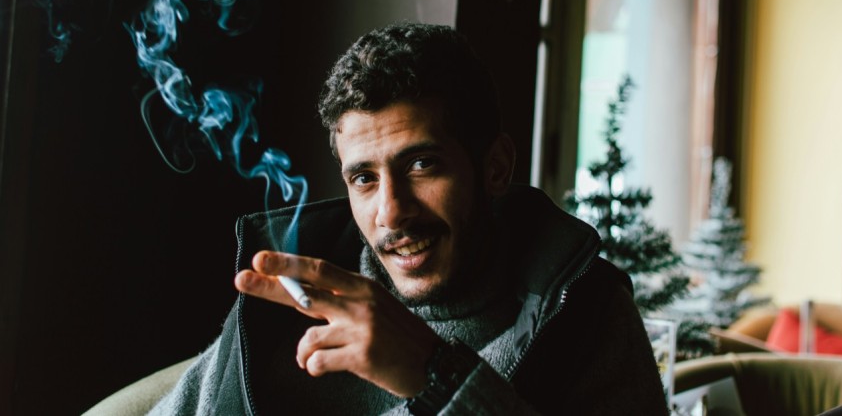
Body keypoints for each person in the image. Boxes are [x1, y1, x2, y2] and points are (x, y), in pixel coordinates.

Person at [150, 22, 669, 415]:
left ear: (495, 167)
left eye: (422, 165)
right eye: (364, 178)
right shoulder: (287, 304)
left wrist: (437, 375)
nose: (391, 211)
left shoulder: (585, 316)